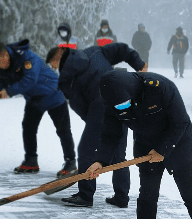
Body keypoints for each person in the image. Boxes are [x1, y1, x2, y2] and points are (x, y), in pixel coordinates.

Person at [83, 70, 192, 219]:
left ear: (131, 91)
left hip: (179, 146)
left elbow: (180, 122)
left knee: (191, 195)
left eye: (125, 103)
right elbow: (111, 135)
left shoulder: (160, 87)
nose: (122, 108)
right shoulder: (111, 102)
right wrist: (100, 161)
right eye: (118, 106)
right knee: (147, 197)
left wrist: (162, 150)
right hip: (146, 148)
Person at [46, 43, 147, 207]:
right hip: (121, 100)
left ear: (58, 57)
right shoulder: (94, 51)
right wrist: (139, 64)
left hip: (99, 109)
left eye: (53, 65)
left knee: (86, 151)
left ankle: (85, 196)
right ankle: (121, 197)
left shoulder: (66, 80)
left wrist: (94, 123)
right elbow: (122, 50)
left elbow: (79, 105)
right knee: (118, 154)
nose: (54, 68)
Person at [0, 40, 77, 176]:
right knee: (28, 128)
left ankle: (70, 163)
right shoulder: (0, 70)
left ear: (5, 55)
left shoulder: (27, 58)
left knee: (63, 130)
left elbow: (30, 80)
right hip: (34, 99)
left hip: (53, 94)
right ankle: (31, 160)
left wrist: (9, 91)